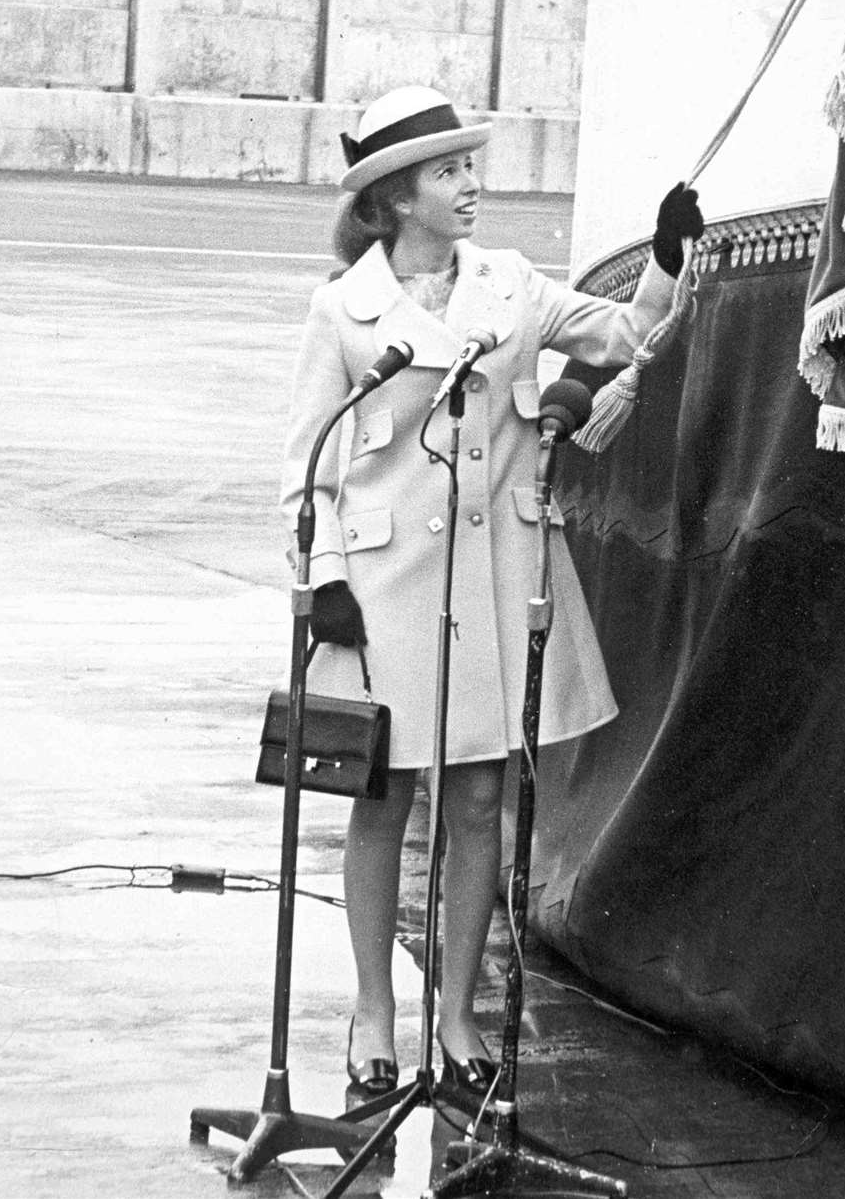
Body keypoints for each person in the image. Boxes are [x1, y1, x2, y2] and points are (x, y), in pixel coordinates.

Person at [280, 85, 702, 1098]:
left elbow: (626, 335)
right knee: (378, 802)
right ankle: (376, 1010)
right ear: (392, 199)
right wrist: (324, 579)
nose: (471, 184)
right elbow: (309, 466)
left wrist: (668, 256)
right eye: (447, 171)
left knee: (477, 801)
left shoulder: (513, 285)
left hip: (496, 585)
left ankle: (459, 1011)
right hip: (380, 595)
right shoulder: (342, 310)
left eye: (470, 165)